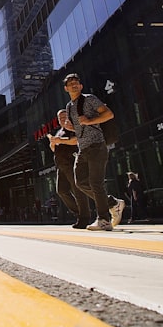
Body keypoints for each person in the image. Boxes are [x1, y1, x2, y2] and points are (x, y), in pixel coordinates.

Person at [64, 73, 124, 231]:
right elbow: (80, 128)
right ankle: (113, 203)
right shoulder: (69, 107)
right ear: (66, 88)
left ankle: (103, 220)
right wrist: (73, 128)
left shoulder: (89, 98)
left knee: (96, 183)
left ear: (81, 86)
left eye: (76, 82)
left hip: (97, 145)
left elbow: (109, 114)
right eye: (71, 84)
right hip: (83, 148)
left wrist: (90, 121)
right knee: (80, 182)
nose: (74, 85)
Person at [46, 108, 91, 229]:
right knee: (61, 191)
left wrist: (60, 140)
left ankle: (84, 217)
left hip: (72, 162)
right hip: (60, 165)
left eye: (64, 117)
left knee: (78, 191)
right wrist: (53, 143)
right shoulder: (59, 131)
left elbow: (76, 141)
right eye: (60, 118)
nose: (62, 119)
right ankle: (79, 213)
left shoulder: (73, 127)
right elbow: (55, 149)